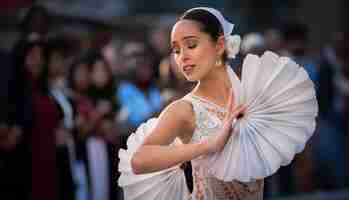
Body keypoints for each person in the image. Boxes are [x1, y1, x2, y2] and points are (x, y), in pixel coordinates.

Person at [119, 7, 317, 200]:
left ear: (220, 45)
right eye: (176, 50)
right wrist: (207, 146)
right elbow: (140, 160)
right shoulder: (184, 109)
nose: (182, 57)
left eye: (191, 45)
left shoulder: (251, 98)